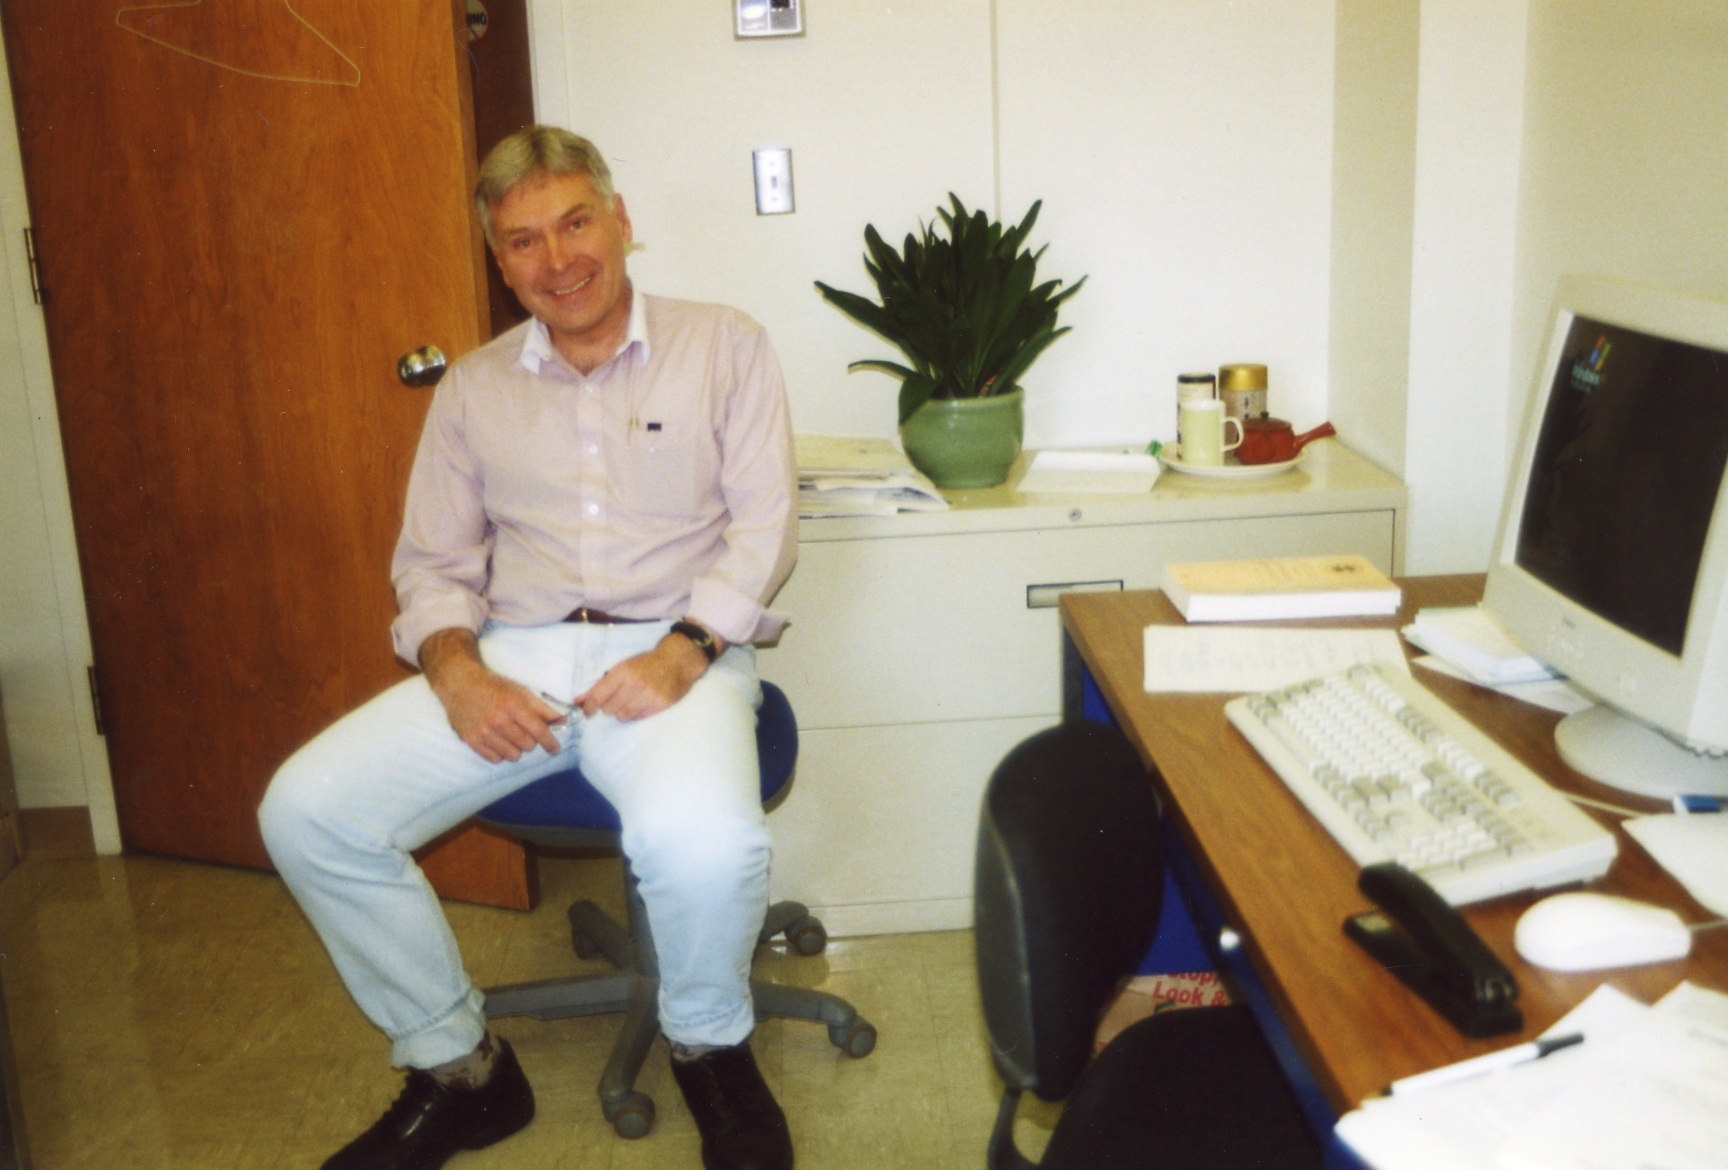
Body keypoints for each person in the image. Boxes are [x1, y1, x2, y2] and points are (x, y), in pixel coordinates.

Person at [259, 125, 799, 1170]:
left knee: (706, 846)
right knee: (308, 811)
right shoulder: (472, 388)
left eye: (575, 223)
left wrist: (683, 654)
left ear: (622, 218)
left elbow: (763, 532)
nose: (558, 261)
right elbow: (431, 561)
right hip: (514, 653)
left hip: (675, 648)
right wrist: (457, 671)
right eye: (523, 243)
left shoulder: (725, 344)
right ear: (499, 262)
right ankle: (461, 1069)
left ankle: (709, 1049)